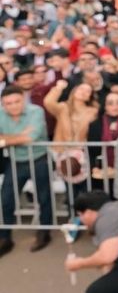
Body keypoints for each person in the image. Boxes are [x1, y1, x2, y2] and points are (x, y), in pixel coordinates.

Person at [0, 85, 53, 256]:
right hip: (16, 161)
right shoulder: (0, 114)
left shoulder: (35, 111)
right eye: (8, 103)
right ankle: (5, 237)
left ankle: (44, 233)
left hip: (39, 159)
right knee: (6, 199)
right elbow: (24, 138)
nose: (13, 106)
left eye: (17, 101)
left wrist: (5, 140)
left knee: (44, 198)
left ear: (23, 99)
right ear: (3, 104)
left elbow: (31, 138)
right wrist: (19, 137)